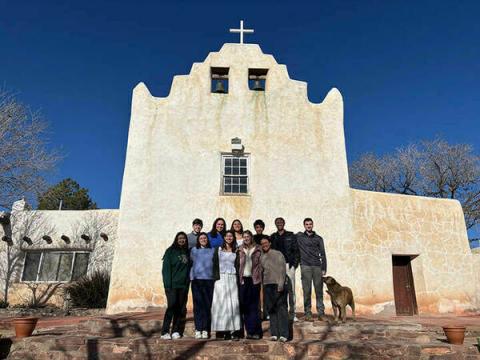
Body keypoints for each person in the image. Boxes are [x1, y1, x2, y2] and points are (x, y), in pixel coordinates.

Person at [211, 230, 241, 340]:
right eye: (227, 236)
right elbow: (214, 264)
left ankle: (233, 330)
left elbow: (238, 265)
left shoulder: (236, 250)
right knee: (221, 303)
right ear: (224, 237)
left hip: (232, 277)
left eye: (231, 236)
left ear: (233, 238)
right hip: (220, 279)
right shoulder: (218, 249)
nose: (229, 237)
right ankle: (222, 330)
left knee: (233, 303)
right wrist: (214, 278)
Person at [296, 218, 327, 321]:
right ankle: (308, 313)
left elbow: (323, 253)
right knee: (307, 290)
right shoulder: (299, 237)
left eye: (310, 224)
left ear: (312, 225)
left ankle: (321, 313)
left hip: (317, 266)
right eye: (306, 224)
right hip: (305, 266)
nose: (308, 226)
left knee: (319, 291)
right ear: (304, 225)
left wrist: (324, 268)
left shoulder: (318, 238)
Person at [161, 232, 190, 340]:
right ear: (176, 239)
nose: (182, 240)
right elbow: (166, 270)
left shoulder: (187, 252)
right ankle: (164, 331)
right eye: (180, 238)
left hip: (183, 286)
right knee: (171, 307)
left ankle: (176, 331)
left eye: (184, 238)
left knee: (180, 308)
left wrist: (187, 283)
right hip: (172, 285)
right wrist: (167, 285)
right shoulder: (170, 251)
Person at [271, 217, 300, 321]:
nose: (279, 224)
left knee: (291, 290)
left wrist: (294, 265)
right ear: (275, 224)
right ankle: (279, 312)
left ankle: (293, 313)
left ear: (284, 223)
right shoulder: (273, 237)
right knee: (277, 289)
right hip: (277, 267)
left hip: (289, 265)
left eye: (281, 222)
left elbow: (296, 251)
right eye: (277, 222)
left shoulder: (291, 235)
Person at [260, 237, 289, 342]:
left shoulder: (278, 254)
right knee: (271, 309)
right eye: (262, 244)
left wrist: (281, 284)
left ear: (270, 243)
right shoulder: (262, 257)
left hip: (278, 284)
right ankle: (274, 333)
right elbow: (261, 271)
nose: (264, 245)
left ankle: (284, 334)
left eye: (266, 243)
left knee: (281, 309)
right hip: (268, 285)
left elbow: (282, 269)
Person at [236, 230, 263, 339]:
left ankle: (255, 331)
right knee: (245, 306)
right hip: (243, 280)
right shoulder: (239, 249)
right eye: (244, 237)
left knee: (254, 306)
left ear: (251, 237)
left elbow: (262, 263)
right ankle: (248, 331)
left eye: (248, 236)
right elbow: (237, 264)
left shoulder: (258, 249)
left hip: (254, 280)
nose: (246, 238)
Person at [190, 232, 215, 339]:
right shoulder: (193, 250)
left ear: (207, 239)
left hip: (209, 280)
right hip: (197, 281)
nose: (203, 239)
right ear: (198, 240)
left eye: (205, 238)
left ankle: (205, 329)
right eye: (201, 238)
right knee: (198, 306)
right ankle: (198, 329)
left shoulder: (213, 250)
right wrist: (191, 277)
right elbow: (190, 264)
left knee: (207, 306)